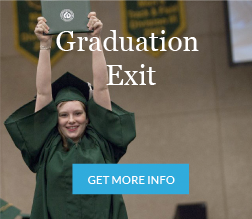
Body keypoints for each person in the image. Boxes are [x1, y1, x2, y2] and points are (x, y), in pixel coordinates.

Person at [5, 12, 136, 219]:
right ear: (54, 118)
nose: (72, 120)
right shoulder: (45, 146)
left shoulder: (103, 143)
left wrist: (96, 41)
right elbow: (43, 93)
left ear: (88, 116)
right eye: (64, 115)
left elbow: (101, 88)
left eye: (77, 113)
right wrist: (45, 45)